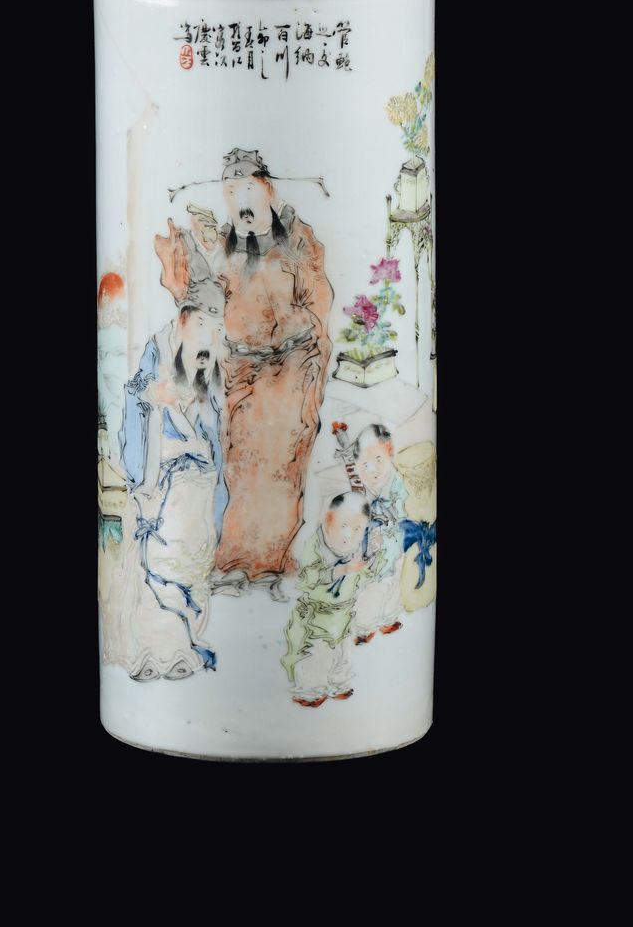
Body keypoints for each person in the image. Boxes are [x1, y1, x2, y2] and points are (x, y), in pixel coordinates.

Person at [157, 147, 334, 600]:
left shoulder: (297, 240)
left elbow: (318, 299)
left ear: (268, 191)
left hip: (291, 368)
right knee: (241, 466)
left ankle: (273, 563)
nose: (242, 203)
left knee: (282, 467)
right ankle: (236, 562)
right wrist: (195, 254)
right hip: (242, 370)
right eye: (232, 194)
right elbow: (207, 303)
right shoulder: (224, 249)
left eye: (248, 191)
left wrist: (296, 337)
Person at [105, 278, 228, 682]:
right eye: (202, 325)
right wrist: (154, 398)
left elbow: (213, 426)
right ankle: (158, 650)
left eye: (215, 327)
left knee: (192, 562)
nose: (208, 336)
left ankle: (183, 642)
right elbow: (135, 394)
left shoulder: (209, 364)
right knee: (159, 564)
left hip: (196, 486)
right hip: (162, 483)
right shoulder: (157, 352)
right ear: (183, 320)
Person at [280, 492, 381, 707]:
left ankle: (338, 685)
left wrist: (373, 557)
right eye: (344, 525)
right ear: (328, 519)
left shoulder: (357, 549)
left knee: (343, 653)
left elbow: (365, 577)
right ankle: (311, 691)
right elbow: (308, 578)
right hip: (317, 614)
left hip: (343, 614)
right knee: (318, 653)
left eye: (357, 529)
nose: (349, 534)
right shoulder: (315, 545)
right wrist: (342, 570)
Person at [351, 424, 436, 644]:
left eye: (378, 459)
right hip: (375, 551)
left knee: (394, 586)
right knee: (371, 589)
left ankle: (388, 619)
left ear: (389, 452)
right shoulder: (364, 488)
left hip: (396, 546)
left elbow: (404, 508)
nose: (373, 469)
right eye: (365, 464)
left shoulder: (398, 482)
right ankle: (364, 627)